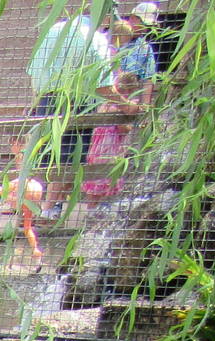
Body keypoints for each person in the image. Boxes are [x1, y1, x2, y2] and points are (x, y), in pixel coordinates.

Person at [24, 5, 113, 212]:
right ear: (105, 17)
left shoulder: (54, 30)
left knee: (43, 155)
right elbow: (104, 84)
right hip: (76, 103)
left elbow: (33, 71)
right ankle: (48, 209)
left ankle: (31, 209)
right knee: (67, 158)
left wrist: (38, 101)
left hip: (45, 99)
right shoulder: (96, 37)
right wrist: (126, 105)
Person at [82, 71, 144, 201]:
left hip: (98, 151)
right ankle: (96, 211)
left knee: (96, 183)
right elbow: (123, 129)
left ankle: (91, 210)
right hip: (108, 151)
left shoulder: (105, 105)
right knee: (104, 180)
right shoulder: (116, 108)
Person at [108, 19, 156, 103]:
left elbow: (149, 78)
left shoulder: (145, 47)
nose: (144, 29)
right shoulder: (108, 47)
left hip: (126, 91)